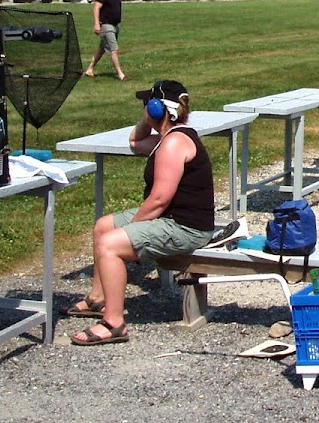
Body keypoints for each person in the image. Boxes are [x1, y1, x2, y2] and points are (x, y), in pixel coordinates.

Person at [65, 80, 214, 345]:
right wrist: (150, 118)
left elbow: (158, 200)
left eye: (147, 104)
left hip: (186, 227)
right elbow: (136, 140)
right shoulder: (168, 137)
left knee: (110, 244)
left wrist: (131, 229)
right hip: (171, 216)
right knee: (103, 226)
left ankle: (114, 323)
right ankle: (97, 298)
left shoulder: (173, 144)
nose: (143, 107)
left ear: (157, 108)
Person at [85, 0, 128, 81]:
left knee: (102, 49)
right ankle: (120, 74)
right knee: (114, 49)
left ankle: (90, 69)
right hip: (106, 25)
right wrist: (96, 24)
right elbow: (96, 8)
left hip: (115, 26)